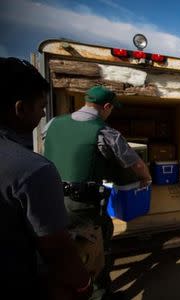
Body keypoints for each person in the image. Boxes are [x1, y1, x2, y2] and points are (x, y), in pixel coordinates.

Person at [43, 85, 151, 300]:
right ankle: (99, 294)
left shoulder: (53, 124)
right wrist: (146, 178)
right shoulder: (105, 132)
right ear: (107, 106)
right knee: (95, 249)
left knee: (59, 249)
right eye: (112, 109)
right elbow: (136, 164)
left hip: (49, 199)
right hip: (83, 205)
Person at [0, 57, 92, 299]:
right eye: (41, 106)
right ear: (20, 108)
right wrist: (83, 285)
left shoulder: (53, 127)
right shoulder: (31, 169)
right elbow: (58, 251)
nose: (43, 114)